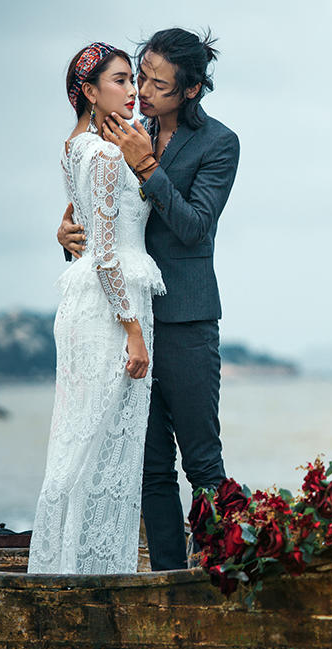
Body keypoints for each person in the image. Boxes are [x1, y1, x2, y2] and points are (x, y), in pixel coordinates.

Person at [57, 28, 240, 571]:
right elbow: (103, 217)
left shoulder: (219, 143)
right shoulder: (126, 127)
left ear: (191, 89)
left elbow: (196, 227)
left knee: (203, 464)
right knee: (150, 468)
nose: (144, 91)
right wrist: (68, 237)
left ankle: (223, 576)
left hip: (185, 321)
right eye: (140, 77)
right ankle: (168, 582)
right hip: (125, 322)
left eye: (159, 84)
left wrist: (148, 167)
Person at [29, 42, 165, 574]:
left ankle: (63, 567)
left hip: (85, 306)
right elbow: (106, 254)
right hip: (112, 311)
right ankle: (90, 575)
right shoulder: (108, 155)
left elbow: (83, 227)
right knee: (102, 449)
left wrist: (65, 232)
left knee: (78, 444)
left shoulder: (75, 146)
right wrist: (133, 331)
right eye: (120, 80)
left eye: (134, 79)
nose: (132, 91)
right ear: (89, 91)